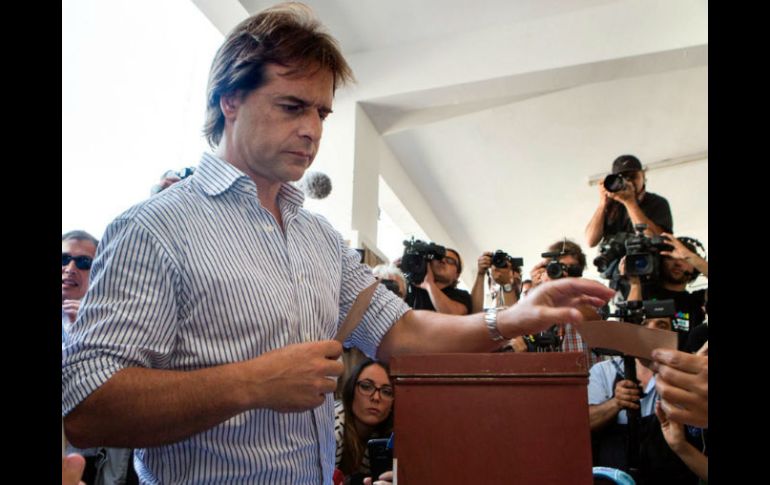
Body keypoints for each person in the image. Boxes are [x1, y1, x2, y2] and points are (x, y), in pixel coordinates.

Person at [62, 4, 616, 483]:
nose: (313, 130)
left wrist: (512, 319)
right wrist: (251, 383)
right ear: (230, 99)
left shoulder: (318, 238)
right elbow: (88, 407)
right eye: (292, 106)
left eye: (322, 112)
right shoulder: (154, 229)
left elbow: (402, 332)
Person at [585, 154, 672, 297]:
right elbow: (590, 240)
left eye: (633, 176)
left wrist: (629, 202)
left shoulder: (657, 203)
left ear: (643, 176)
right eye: (623, 178)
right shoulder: (611, 206)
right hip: (618, 279)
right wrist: (602, 204)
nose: (629, 181)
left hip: (650, 277)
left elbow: (659, 238)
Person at [334, 360, 394, 482]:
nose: (376, 397)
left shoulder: (385, 436)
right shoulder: (334, 423)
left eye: (386, 391)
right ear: (351, 391)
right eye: (366, 386)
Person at [404, 246, 473, 315]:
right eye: (438, 257)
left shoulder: (462, 296)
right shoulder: (412, 286)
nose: (442, 260)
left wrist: (429, 284)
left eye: (450, 261)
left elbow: (453, 314)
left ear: (457, 275)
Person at [61, 230, 98, 341]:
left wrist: (83, 328)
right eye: (63, 259)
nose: (70, 269)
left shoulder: (103, 321)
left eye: (84, 262)